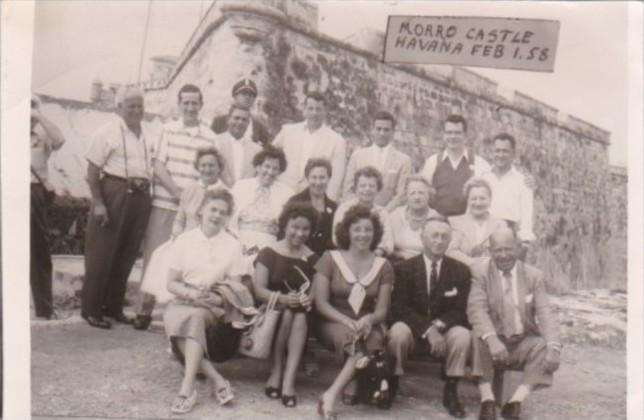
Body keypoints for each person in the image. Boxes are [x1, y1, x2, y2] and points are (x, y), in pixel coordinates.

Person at [134, 83, 217, 331]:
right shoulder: (167, 130)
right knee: (156, 257)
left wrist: (194, 201)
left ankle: (181, 314)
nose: (190, 107)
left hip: (195, 211)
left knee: (189, 261)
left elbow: (211, 170)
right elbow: (158, 166)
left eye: (195, 103)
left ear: (201, 106)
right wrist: (178, 194)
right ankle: (143, 310)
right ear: (179, 105)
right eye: (186, 103)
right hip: (164, 203)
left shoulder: (210, 136)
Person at [164, 189, 248, 414]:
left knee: (196, 318)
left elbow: (236, 288)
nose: (217, 216)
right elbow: (171, 283)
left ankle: (186, 389)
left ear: (228, 217)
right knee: (187, 318)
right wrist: (190, 295)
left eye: (223, 212)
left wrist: (217, 297)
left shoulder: (232, 245)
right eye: (213, 209)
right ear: (201, 210)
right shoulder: (184, 240)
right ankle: (217, 380)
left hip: (213, 306)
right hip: (183, 300)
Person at [387, 217, 479, 418]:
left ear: (450, 240)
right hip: (413, 328)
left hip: (444, 329)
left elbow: (460, 310)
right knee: (397, 332)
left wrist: (437, 327)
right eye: (434, 235)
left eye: (444, 236)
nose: (439, 240)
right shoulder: (404, 268)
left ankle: (451, 389)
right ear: (423, 238)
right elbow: (399, 307)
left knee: (463, 335)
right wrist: (428, 330)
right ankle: (392, 382)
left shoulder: (460, 270)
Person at [468, 226, 561, 420]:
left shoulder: (533, 275)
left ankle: (515, 402)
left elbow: (545, 312)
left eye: (508, 249)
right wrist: (492, 339)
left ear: (518, 248)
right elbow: (476, 309)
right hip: (494, 340)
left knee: (544, 346)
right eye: (497, 250)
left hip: (521, 340)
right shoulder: (481, 273)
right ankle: (488, 401)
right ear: (490, 251)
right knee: (478, 336)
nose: (503, 255)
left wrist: (554, 347)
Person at [314, 205, 394, 419]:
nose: (362, 235)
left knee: (374, 340)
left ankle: (350, 384)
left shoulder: (383, 266)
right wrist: (347, 321)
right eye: (357, 229)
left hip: (367, 322)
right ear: (347, 231)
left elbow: (381, 311)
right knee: (356, 346)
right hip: (333, 321)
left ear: (375, 233)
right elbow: (320, 303)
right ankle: (331, 396)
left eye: (368, 230)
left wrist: (369, 319)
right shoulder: (330, 258)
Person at [82, 86, 152, 329]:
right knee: (102, 252)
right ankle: (91, 310)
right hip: (115, 191)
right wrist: (99, 203)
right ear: (119, 107)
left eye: (139, 105)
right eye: (131, 105)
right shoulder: (107, 131)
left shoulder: (147, 132)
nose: (136, 110)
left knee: (127, 253)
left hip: (141, 196)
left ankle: (113, 307)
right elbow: (92, 172)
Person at [253, 202, 318, 408]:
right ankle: (278, 371)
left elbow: (315, 291)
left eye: (305, 228)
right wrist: (282, 299)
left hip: (301, 315)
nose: (299, 233)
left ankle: (287, 379)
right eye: (295, 227)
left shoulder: (313, 258)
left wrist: (309, 298)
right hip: (271, 309)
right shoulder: (268, 253)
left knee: (297, 314)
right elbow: (259, 290)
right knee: (290, 313)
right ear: (285, 225)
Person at [273, 92, 347, 201]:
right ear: (304, 109)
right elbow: (269, 157)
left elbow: (336, 179)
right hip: (282, 193)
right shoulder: (287, 131)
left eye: (318, 109)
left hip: (313, 199)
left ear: (325, 111)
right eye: (310, 108)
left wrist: (327, 205)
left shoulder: (337, 141)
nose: (314, 113)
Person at [30, 95, 66, 320]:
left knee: (39, 251)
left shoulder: (42, 135)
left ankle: (44, 308)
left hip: (34, 191)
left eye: (33, 105)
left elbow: (60, 139)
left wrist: (38, 115)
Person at [421, 115, 490, 217]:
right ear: (443, 135)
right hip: (439, 222)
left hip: (468, 224)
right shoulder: (432, 162)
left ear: (465, 135)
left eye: (457, 133)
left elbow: (487, 197)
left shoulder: (480, 164)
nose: (453, 136)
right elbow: (424, 194)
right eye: (449, 132)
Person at [229, 146, 294, 256]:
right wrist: (236, 243)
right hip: (239, 240)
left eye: (275, 168)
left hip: (270, 245)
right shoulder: (240, 186)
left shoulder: (287, 193)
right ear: (258, 167)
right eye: (267, 166)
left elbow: (286, 227)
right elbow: (230, 221)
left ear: (280, 171)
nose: (270, 172)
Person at [342, 111, 412, 210]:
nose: (382, 133)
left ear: (392, 132)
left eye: (386, 130)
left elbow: (401, 195)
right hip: (359, 214)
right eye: (378, 129)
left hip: (388, 215)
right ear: (372, 130)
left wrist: (383, 213)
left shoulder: (403, 160)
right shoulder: (358, 156)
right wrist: (359, 211)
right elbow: (348, 189)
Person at [481, 133, 535, 260]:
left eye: (505, 151)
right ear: (492, 152)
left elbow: (527, 216)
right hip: (486, 238)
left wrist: (524, 245)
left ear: (513, 154)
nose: (500, 155)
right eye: (497, 151)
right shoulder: (484, 178)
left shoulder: (523, 181)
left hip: (510, 238)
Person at [332, 167, 393, 257]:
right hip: (348, 253)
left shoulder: (382, 213)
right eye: (363, 185)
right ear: (356, 188)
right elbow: (336, 238)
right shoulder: (344, 208)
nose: (367, 189)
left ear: (378, 189)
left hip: (374, 255)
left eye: (371, 186)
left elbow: (388, 242)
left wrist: (378, 251)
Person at [447, 178, 506, 267]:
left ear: (490, 200)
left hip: (491, 271)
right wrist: (471, 262)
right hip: (463, 271)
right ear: (467, 201)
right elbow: (450, 251)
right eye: (474, 199)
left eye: (482, 198)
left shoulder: (500, 224)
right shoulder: (455, 222)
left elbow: (503, 251)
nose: (478, 203)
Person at [171, 148, 229, 237]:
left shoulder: (226, 193)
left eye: (211, 165)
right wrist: (176, 236)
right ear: (197, 167)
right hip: (187, 240)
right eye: (203, 165)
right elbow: (180, 220)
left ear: (219, 168)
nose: (207, 169)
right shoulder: (189, 190)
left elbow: (227, 225)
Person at [286, 158, 337, 256]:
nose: (318, 182)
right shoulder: (295, 202)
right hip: (296, 256)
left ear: (329, 178)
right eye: (314, 177)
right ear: (307, 178)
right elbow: (284, 234)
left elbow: (333, 241)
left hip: (323, 262)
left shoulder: (333, 207)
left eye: (322, 177)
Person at [389, 176, 441, 260]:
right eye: (412, 193)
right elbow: (388, 247)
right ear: (406, 196)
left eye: (421, 193)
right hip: (397, 262)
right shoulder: (395, 216)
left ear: (429, 195)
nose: (417, 197)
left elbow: (438, 251)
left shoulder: (437, 219)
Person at [211, 78, 271, 146]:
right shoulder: (219, 122)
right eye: (244, 93)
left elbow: (265, 150)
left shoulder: (259, 127)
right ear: (234, 96)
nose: (247, 97)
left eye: (251, 95)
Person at [214, 104, 262, 187]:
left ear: (248, 123)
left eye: (244, 120)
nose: (240, 122)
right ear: (228, 119)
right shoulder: (215, 142)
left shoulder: (257, 150)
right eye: (236, 118)